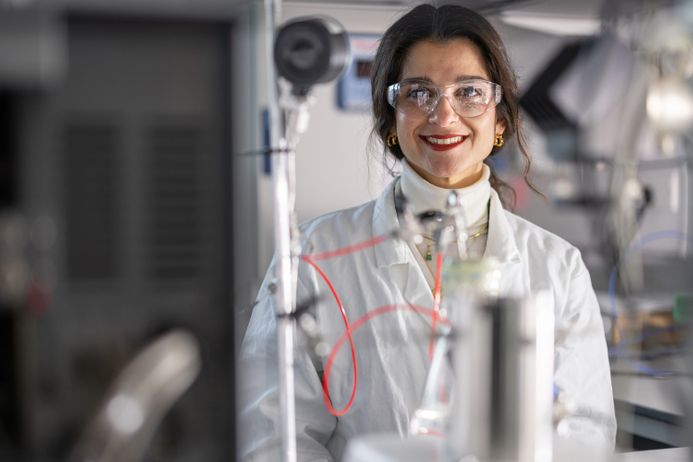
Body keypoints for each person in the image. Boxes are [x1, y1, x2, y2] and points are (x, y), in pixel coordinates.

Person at [239, 3, 616, 461]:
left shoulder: (558, 267)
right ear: (391, 120)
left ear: (499, 122)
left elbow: (585, 436)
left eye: (469, 92)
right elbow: (273, 437)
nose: (443, 115)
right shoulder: (313, 257)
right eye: (419, 93)